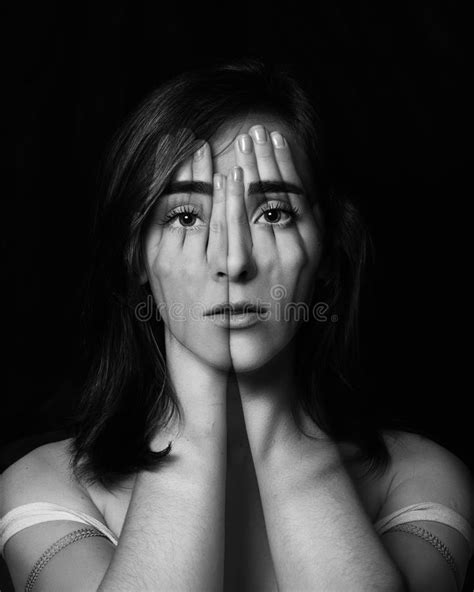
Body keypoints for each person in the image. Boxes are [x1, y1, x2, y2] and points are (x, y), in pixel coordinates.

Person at [0, 58, 472, 592]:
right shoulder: (47, 485)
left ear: (325, 254)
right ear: (136, 259)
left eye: (273, 214)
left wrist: (271, 410)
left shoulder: (418, 477)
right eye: (185, 217)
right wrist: (194, 416)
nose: (231, 260)